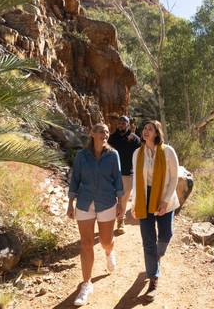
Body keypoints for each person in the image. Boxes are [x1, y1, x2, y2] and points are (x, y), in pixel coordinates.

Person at [67, 123, 124, 306]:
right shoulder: (82, 156)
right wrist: (70, 203)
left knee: (106, 240)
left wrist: (121, 204)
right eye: (101, 131)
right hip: (84, 203)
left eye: (107, 131)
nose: (104, 134)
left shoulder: (113, 155)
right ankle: (86, 284)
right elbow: (75, 179)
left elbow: (118, 179)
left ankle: (109, 251)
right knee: (86, 243)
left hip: (107, 202)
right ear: (92, 134)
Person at [131, 120, 180, 302]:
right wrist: (134, 204)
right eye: (144, 128)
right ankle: (153, 279)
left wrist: (165, 201)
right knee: (148, 240)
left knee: (166, 234)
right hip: (145, 198)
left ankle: (156, 257)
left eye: (149, 129)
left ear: (157, 133)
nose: (145, 131)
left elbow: (175, 177)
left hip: (163, 195)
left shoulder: (168, 151)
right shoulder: (138, 153)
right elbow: (136, 180)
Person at [107, 115, 141, 234]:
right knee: (111, 198)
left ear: (128, 124)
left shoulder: (135, 139)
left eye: (124, 122)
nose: (121, 124)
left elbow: (141, 153)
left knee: (124, 199)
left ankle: (120, 221)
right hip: (112, 173)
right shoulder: (111, 138)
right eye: (119, 122)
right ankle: (108, 221)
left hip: (128, 174)